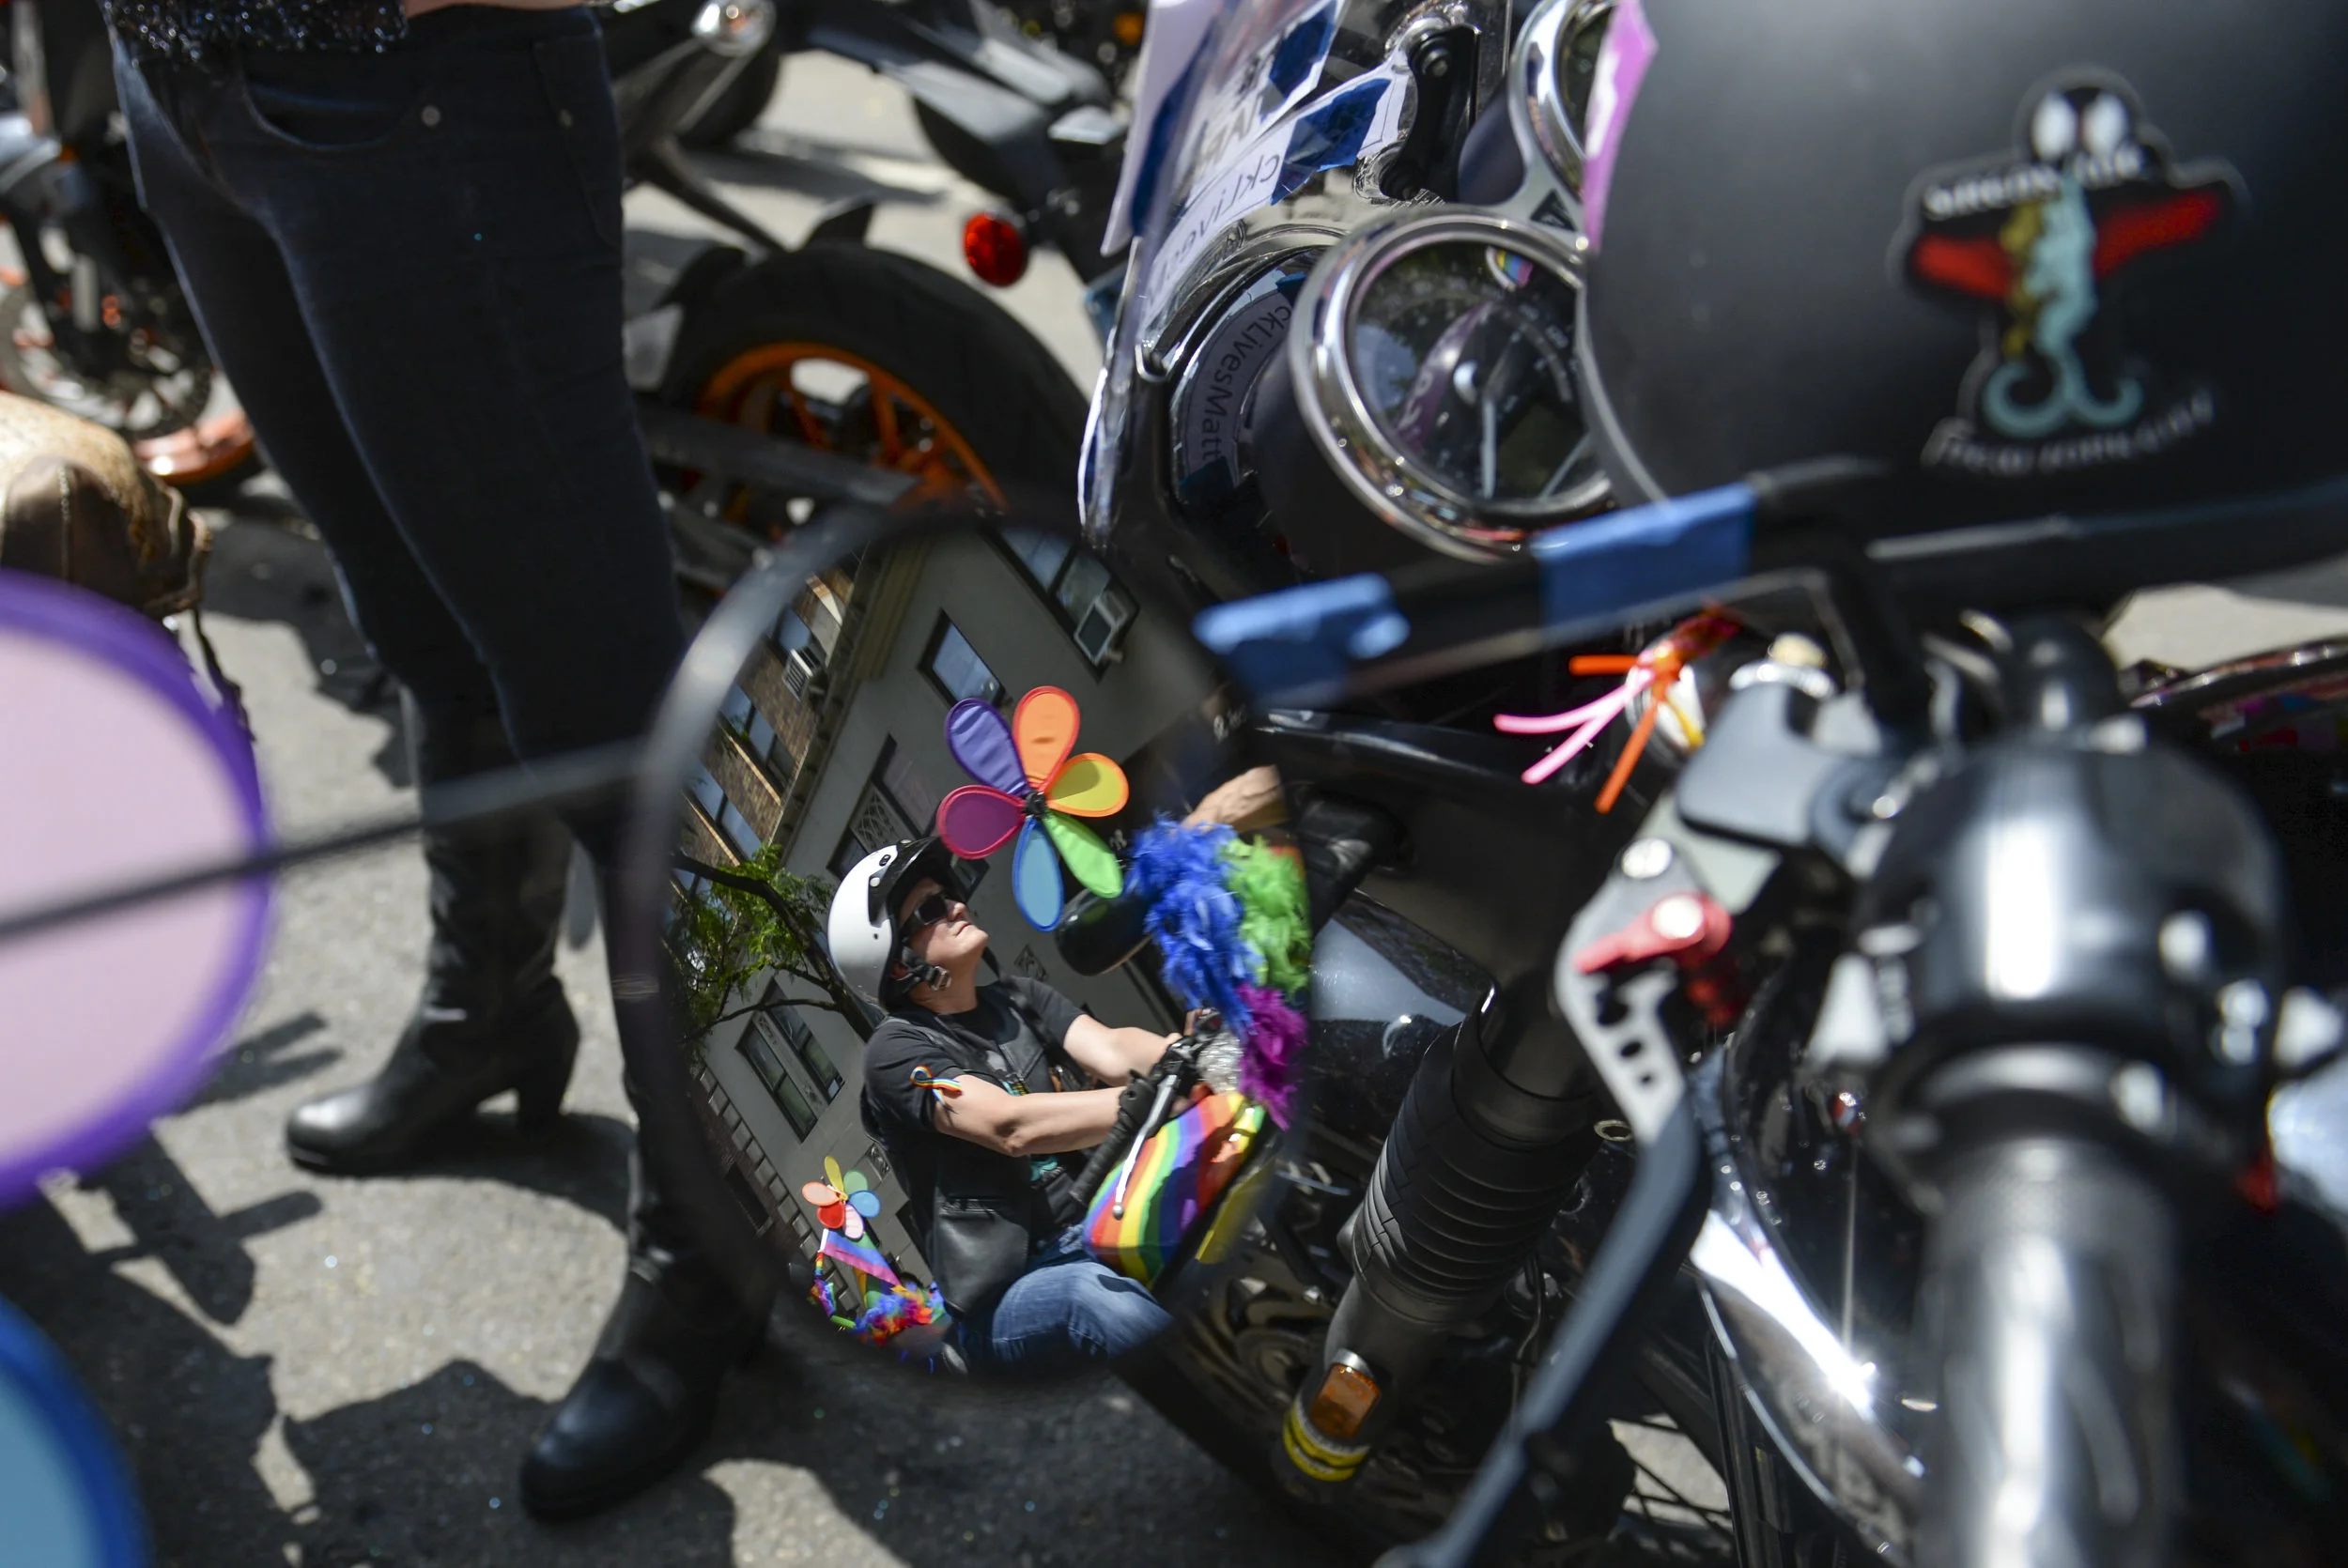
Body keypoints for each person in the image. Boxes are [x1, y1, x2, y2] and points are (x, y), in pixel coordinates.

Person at [97, 0, 762, 1518]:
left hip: (405, 97)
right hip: (183, 76)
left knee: (600, 714)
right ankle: (492, 1012)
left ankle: (713, 1239)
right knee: (413, 610)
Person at [826, 838, 1178, 1371]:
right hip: (1014, 1287)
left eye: (951, 894)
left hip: (1105, 1217)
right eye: (931, 909)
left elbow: (1112, 1049)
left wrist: (1193, 1056)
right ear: (897, 965)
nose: (957, 906)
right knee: (1089, 1297)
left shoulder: (1020, 999)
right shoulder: (894, 1052)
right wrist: (1153, 1097)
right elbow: (1008, 1126)